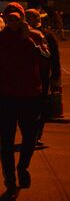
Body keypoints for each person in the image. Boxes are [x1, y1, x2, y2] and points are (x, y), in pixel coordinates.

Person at [0, 2, 50, 200]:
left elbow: (45, 60)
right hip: (6, 96)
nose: (12, 21)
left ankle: (23, 166)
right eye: (9, 18)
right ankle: (9, 178)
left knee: (30, 137)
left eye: (16, 17)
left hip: (30, 95)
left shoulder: (35, 36)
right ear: (5, 19)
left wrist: (28, 40)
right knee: (6, 141)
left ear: (23, 18)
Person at [25, 8, 62, 144]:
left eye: (28, 18)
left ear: (36, 19)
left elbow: (55, 59)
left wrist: (55, 78)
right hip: (29, 75)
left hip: (42, 76)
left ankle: (36, 134)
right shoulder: (26, 33)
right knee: (29, 106)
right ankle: (32, 133)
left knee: (39, 106)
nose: (26, 21)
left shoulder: (47, 35)